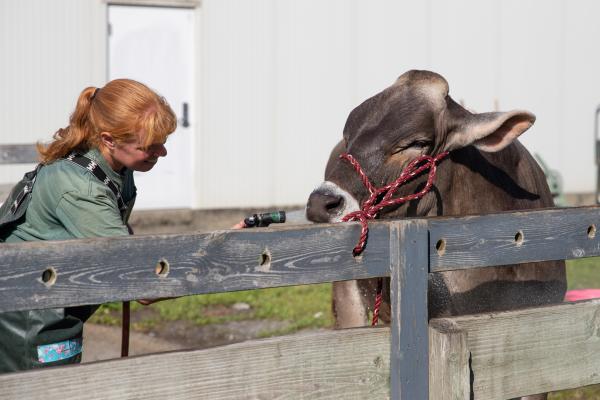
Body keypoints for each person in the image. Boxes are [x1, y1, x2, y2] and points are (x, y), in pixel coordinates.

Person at [0, 79, 177, 372]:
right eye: (150, 146)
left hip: (52, 300)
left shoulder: (114, 164)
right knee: (49, 392)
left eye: (163, 142)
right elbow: (142, 284)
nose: (162, 153)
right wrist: (213, 260)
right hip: (29, 316)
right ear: (109, 139)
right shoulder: (81, 188)